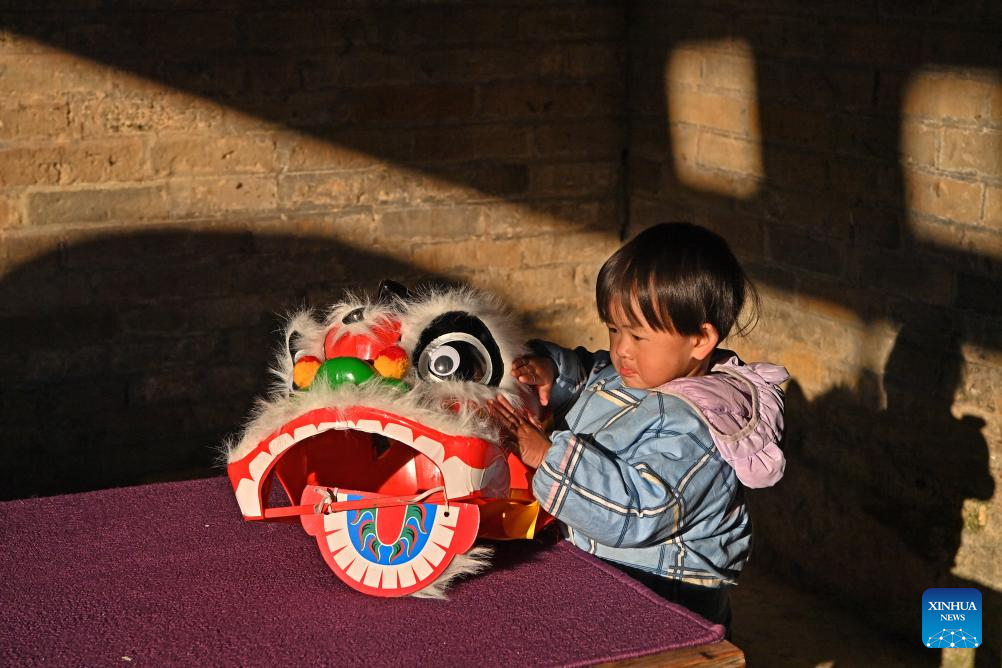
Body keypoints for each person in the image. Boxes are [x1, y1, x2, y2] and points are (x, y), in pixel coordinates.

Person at [489, 222, 789, 633]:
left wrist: (548, 456)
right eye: (614, 330)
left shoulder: (698, 429)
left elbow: (638, 511)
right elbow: (595, 374)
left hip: (666, 601)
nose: (620, 349)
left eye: (638, 336)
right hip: (609, 582)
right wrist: (552, 373)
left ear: (700, 340)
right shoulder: (641, 373)